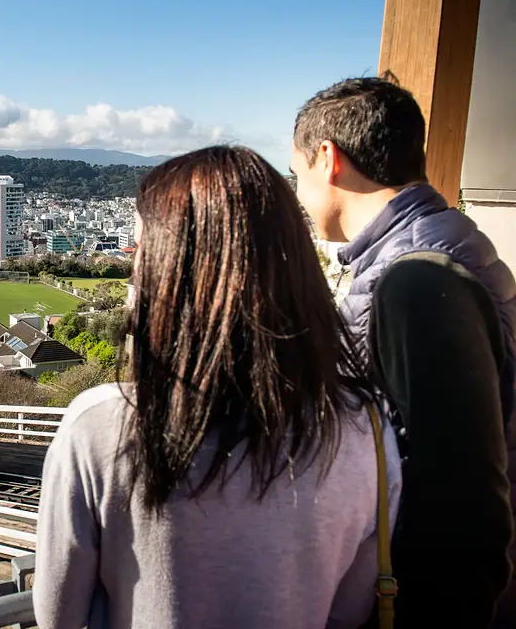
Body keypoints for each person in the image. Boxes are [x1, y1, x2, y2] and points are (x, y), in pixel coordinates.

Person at [33, 146, 401, 629]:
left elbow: (57, 614)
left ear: (166, 275)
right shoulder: (363, 429)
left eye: (143, 253)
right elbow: (349, 609)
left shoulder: (100, 427)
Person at [290, 75, 516, 628]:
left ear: (328, 158)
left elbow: (462, 496)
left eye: (297, 175)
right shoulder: (434, 244)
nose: (298, 193)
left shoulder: (415, 276)